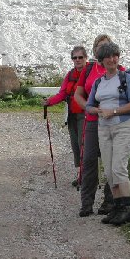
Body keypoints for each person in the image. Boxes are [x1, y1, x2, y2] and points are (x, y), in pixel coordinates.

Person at [85, 42, 130, 225]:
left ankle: (127, 208)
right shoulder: (99, 82)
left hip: (123, 126)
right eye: (108, 57)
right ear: (101, 61)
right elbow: (89, 104)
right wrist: (97, 111)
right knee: (108, 170)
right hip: (103, 127)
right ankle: (117, 207)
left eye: (115, 56)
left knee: (118, 167)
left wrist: (114, 112)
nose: (112, 59)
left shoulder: (127, 78)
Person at [74, 34, 123, 217]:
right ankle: (86, 203)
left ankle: (109, 202)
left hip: (113, 122)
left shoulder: (120, 71)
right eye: (101, 48)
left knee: (111, 162)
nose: (105, 52)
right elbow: (78, 94)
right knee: (88, 162)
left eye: (108, 48)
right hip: (94, 122)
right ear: (95, 51)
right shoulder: (88, 70)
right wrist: (89, 108)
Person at [42, 46, 87, 186]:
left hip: (85, 114)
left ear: (86, 58)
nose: (78, 60)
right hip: (72, 115)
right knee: (75, 145)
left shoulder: (89, 73)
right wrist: (49, 102)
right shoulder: (70, 75)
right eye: (75, 57)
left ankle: (88, 177)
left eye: (80, 57)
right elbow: (62, 93)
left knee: (83, 144)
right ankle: (81, 176)